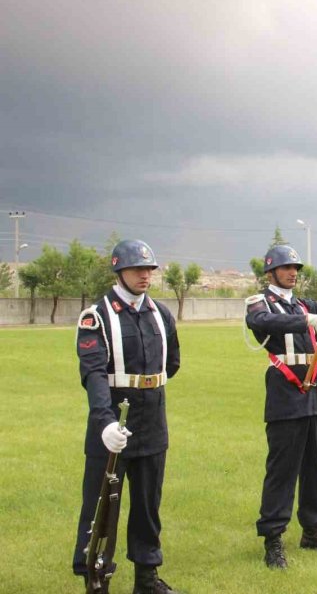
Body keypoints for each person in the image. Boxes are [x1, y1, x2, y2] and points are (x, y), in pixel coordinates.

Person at [72, 239, 181, 594]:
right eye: (138, 269)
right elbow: (93, 373)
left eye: (149, 269)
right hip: (112, 424)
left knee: (148, 505)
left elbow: (172, 363)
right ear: (119, 270)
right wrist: (104, 422)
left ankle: (146, 578)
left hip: (152, 424)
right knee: (100, 507)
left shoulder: (160, 313)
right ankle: (95, 575)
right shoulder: (96, 316)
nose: (145, 276)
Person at [245, 245, 317, 567]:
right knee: (282, 468)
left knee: (313, 467)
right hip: (286, 389)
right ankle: (273, 537)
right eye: (286, 267)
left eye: (296, 267)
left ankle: (312, 529)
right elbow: (265, 323)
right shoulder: (260, 302)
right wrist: (311, 319)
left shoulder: (304, 303)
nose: (293, 272)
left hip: (316, 388)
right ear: (271, 272)